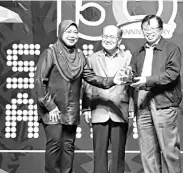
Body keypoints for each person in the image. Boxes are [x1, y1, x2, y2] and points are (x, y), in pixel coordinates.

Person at [35, 20, 123, 173]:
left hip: (70, 110)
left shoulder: (80, 56)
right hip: (53, 110)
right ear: (61, 32)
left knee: (68, 147)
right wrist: (50, 106)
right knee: (55, 145)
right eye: (68, 31)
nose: (72, 35)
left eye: (75, 32)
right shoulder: (50, 53)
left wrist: (112, 80)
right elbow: (39, 82)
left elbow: (92, 77)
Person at [129, 14, 182, 173]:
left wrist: (147, 80)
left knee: (169, 151)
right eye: (145, 29)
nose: (149, 32)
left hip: (164, 104)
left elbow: (171, 74)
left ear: (160, 30)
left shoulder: (171, 49)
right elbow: (132, 78)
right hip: (142, 104)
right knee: (148, 152)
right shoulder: (138, 52)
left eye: (152, 28)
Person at [82, 25, 133, 173]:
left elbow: (132, 86)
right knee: (99, 154)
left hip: (120, 109)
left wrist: (130, 108)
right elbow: (87, 84)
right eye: (105, 36)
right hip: (98, 109)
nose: (108, 40)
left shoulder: (129, 57)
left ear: (119, 39)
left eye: (112, 37)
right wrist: (86, 108)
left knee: (118, 154)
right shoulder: (92, 58)